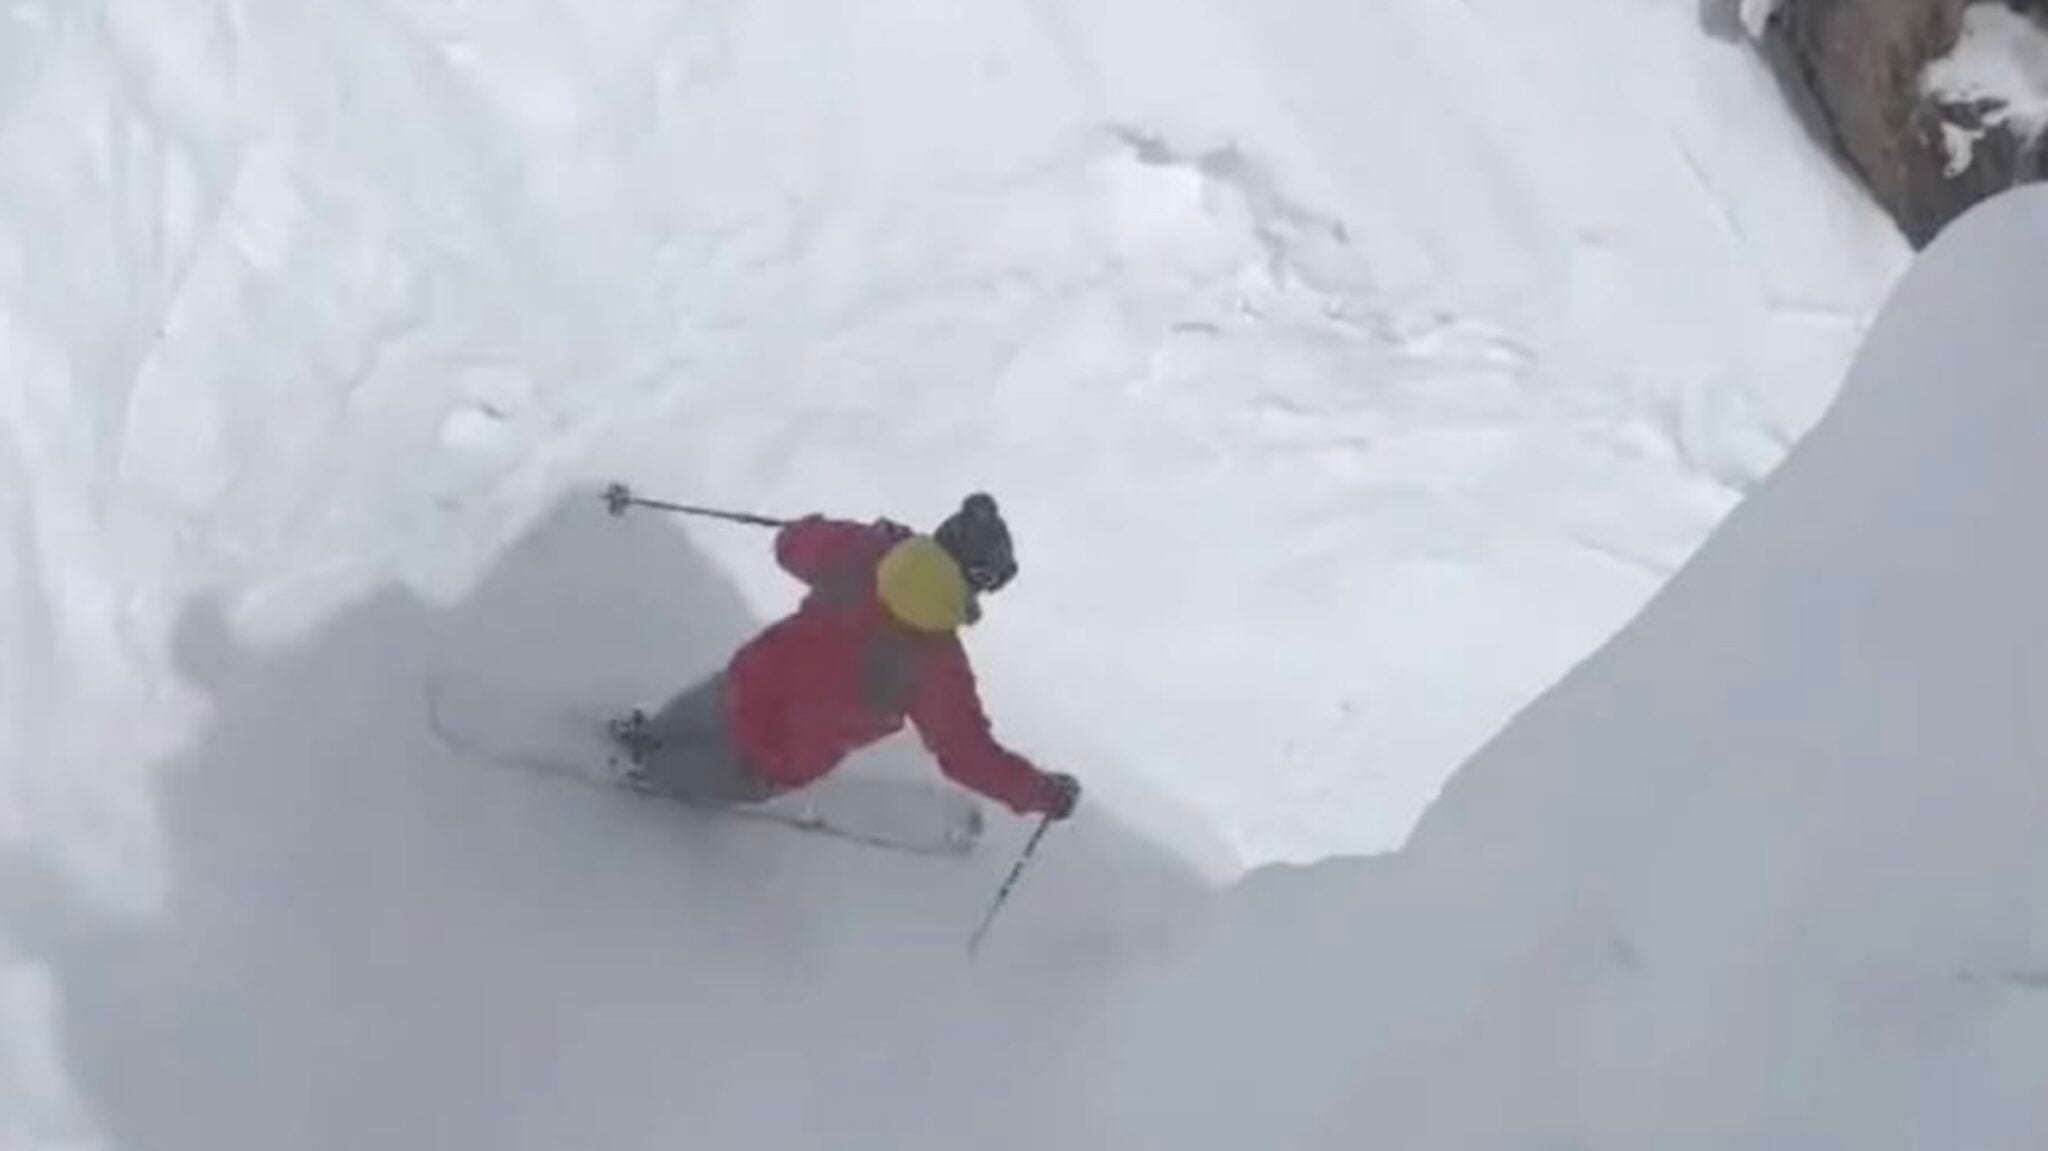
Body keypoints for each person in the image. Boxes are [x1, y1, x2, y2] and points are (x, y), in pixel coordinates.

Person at [612, 493, 1081, 821]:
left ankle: (643, 743)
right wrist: (1042, 793)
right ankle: (637, 780)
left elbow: (790, 546)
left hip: (739, 686)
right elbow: (966, 755)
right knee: (665, 778)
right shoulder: (937, 665)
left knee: (662, 735)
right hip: (772, 756)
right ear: (977, 581)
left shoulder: (866, 554)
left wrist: (865, 535)